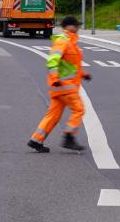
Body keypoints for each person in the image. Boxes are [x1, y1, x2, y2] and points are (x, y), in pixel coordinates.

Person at [28, 15, 92, 153]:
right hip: (64, 86)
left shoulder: (71, 43)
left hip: (60, 87)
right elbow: (52, 61)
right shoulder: (64, 41)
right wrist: (55, 78)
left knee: (53, 115)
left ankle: (36, 140)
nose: (78, 28)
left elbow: (70, 66)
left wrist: (83, 74)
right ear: (68, 26)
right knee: (79, 109)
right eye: (76, 25)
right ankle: (69, 137)